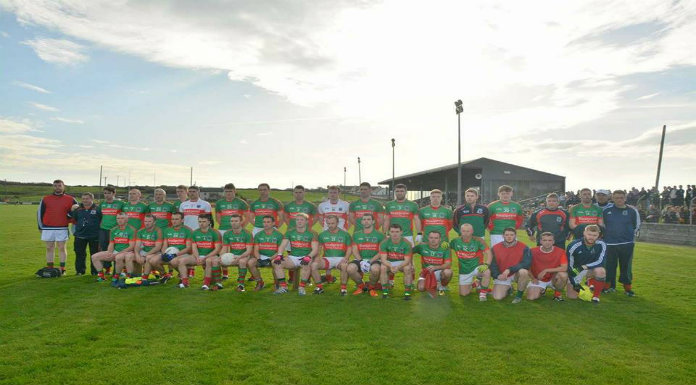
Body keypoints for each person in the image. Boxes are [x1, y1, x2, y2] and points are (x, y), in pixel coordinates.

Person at [603, 190, 640, 297]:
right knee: (609, 266)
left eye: (621, 197)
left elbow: (636, 226)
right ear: (613, 199)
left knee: (626, 267)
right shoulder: (606, 211)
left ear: (625, 198)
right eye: (617, 198)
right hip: (610, 244)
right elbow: (603, 225)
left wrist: (626, 235)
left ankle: (628, 289)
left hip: (626, 243)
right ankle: (607, 287)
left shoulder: (632, 211)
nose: (619, 199)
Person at [37, 179, 77, 275]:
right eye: (55, 186)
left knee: (62, 248)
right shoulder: (45, 199)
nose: (57, 187)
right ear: (53, 187)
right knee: (49, 247)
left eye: (59, 185)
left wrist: (72, 221)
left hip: (62, 227)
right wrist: (40, 227)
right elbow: (39, 213)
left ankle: (62, 269)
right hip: (47, 227)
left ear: (63, 186)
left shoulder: (71, 199)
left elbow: (76, 211)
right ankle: (50, 268)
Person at [273, 213, 319, 295]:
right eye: (297, 220)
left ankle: (301, 288)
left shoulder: (312, 233)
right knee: (276, 263)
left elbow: (315, 249)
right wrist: (279, 255)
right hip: (292, 257)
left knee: (306, 264)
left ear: (307, 221)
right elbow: (282, 245)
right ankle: (283, 287)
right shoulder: (290, 232)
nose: (299, 222)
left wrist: (309, 257)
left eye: (302, 220)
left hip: (306, 257)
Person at [215, 183, 250, 280]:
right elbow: (218, 217)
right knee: (222, 251)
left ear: (235, 191)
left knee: (240, 250)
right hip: (223, 229)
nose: (228, 193)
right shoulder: (219, 203)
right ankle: (225, 274)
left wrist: (241, 226)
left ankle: (241, 275)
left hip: (237, 230)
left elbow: (247, 217)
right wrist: (224, 226)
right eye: (226, 191)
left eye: (230, 191)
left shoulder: (241, 202)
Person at [90, 212, 136, 285]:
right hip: (116, 251)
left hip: (128, 252)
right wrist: (109, 252)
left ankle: (117, 276)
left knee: (118, 257)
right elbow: (111, 243)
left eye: (122, 218)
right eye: (118, 218)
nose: (120, 220)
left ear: (127, 219)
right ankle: (101, 276)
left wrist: (118, 253)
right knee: (94, 257)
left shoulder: (131, 230)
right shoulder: (113, 230)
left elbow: (131, 246)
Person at [449, 223, 492, 301]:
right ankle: (475, 283)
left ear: (472, 231)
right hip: (464, 270)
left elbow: (488, 253)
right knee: (464, 294)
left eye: (468, 231)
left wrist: (486, 264)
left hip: (477, 267)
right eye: (463, 231)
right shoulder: (455, 241)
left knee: (487, 272)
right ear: (460, 231)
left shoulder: (478, 240)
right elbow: (446, 247)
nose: (465, 233)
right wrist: (443, 245)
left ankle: (483, 293)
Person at [566, 225, 607, 303]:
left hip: (590, 269)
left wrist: (584, 267)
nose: (591, 237)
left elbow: (600, 261)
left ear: (599, 235)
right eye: (589, 234)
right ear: (584, 233)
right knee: (572, 296)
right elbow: (569, 266)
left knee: (601, 271)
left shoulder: (601, 244)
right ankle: (588, 282)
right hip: (576, 270)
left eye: (594, 235)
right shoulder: (573, 245)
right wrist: (574, 283)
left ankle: (595, 296)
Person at [313, 215, 352, 295]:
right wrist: (317, 257)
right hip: (327, 259)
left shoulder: (345, 234)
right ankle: (319, 287)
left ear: (337, 223)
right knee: (314, 265)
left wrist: (346, 257)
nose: (330, 225)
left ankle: (343, 289)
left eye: (332, 223)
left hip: (340, 258)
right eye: (328, 223)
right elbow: (319, 248)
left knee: (344, 266)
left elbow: (349, 248)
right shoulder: (322, 235)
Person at [490, 227, 531, 303]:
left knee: (524, 272)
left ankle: (518, 296)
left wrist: (509, 269)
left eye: (511, 235)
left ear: (515, 236)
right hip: (502, 275)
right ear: (503, 236)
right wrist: (497, 275)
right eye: (507, 235)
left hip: (516, 273)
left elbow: (526, 263)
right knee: (497, 297)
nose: (509, 237)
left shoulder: (524, 247)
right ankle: (509, 289)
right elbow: (492, 265)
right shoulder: (495, 248)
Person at [350, 214, 386, 296]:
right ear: (362, 222)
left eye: (369, 219)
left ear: (373, 221)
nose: (366, 221)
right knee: (350, 269)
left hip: (375, 260)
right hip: (360, 259)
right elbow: (354, 250)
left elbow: (381, 252)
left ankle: (371, 288)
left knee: (375, 269)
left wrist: (370, 261)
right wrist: (361, 261)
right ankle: (361, 286)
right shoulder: (356, 234)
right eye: (364, 219)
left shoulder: (380, 235)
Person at [527, 232, 568, 301]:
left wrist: (546, 270)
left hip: (553, 278)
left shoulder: (560, 252)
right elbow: (527, 267)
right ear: (540, 241)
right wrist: (533, 278)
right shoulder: (532, 251)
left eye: (550, 240)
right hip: (538, 279)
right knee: (531, 297)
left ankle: (557, 294)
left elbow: (564, 268)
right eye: (545, 240)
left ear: (553, 241)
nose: (547, 242)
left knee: (563, 275)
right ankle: (542, 289)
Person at [377, 224, 414, 300]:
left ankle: (407, 293)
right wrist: (391, 266)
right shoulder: (384, 242)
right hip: (389, 261)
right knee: (383, 268)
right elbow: (383, 259)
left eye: (397, 231)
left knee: (408, 268)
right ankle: (385, 292)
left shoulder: (407, 243)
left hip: (402, 261)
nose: (394, 234)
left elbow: (407, 260)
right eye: (392, 231)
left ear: (401, 232)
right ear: (389, 232)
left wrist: (398, 267)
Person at [217, 214, 253, 292]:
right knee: (215, 261)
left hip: (245, 255)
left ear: (241, 222)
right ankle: (218, 284)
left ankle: (241, 285)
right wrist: (221, 256)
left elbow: (249, 251)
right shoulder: (227, 233)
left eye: (236, 221)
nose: (233, 223)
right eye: (232, 221)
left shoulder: (247, 233)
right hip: (233, 255)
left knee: (242, 262)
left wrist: (239, 258)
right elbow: (225, 248)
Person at [68, 192, 102, 275]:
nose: (85, 200)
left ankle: (95, 271)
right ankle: (80, 271)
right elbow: (74, 221)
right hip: (80, 236)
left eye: (87, 198)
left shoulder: (98, 209)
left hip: (94, 236)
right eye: (83, 199)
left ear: (92, 199)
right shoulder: (78, 209)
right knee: (79, 254)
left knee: (95, 255)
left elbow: (102, 221)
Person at [248, 215, 283, 291]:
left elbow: (279, 251)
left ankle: (276, 284)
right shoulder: (258, 235)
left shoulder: (279, 235)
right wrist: (259, 259)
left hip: (274, 256)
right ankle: (260, 282)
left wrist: (269, 259)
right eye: (264, 222)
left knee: (276, 263)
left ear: (273, 223)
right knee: (250, 262)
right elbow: (256, 250)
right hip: (261, 256)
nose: (265, 224)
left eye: (268, 222)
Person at [157, 212, 193, 285]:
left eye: (176, 219)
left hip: (183, 253)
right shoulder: (167, 230)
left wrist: (175, 254)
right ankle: (165, 275)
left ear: (182, 220)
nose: (174, 221)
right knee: (153, 260)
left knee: (174, 261)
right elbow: (165, 245)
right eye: (172, 219)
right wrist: (164, 253)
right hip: (171, 253)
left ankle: (183, 277)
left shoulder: (188, 230)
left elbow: (189, 248)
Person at [413, 230, 453, 297]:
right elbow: (408, 252)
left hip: (439, 272)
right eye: (431, 238)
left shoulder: (445, 248)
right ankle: (436, 284)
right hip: (426, 273)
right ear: (428, 238)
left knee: (448, 272)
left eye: (436, 238)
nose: (433, 240)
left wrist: (435, 267)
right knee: (421, 288)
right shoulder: (422, 247)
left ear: (440, 239)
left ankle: (443, 285)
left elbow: (448, 264)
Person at [191, 214, 222, 291]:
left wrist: (205, 257)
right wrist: (197, 257)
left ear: (209, 222)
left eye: (204, 221)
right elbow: (194, 248)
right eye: (200, 221)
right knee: (181, 261)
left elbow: (217, 250)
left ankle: (206, 283)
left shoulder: (215, 232)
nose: (201, 223)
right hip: (199, 256)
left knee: (208, 261)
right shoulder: (195, 232)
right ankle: (183, 282)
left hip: (212, 255)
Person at [132, 214, 163, 280]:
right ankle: (134, 275)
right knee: (131, 256)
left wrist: (145, 255)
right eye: (145, 221)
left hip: (156, 252)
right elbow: (137, 245)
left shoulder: (158, 231)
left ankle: (146, 276)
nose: (147, 223)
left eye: (149, 221)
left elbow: (158, 247)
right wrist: (137, 255)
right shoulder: (140, 231)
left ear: (154, 222)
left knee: (148, 258)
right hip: (145, 251)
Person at [98, 185, 124, 254]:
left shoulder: (120, 204)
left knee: (116, 248)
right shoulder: (102, 204)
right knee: (104, 248)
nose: (106, 195)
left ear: (114, 193)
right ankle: (106, 265)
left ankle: (116, 264)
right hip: (103, 229)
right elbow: (99, 216)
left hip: (115, 229)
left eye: (109, 193)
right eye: (105, 193)